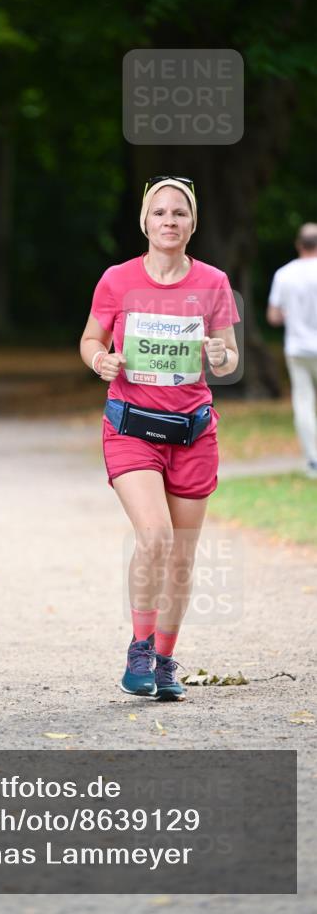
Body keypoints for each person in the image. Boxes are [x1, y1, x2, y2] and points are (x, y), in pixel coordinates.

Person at [80, 176, 240, 701]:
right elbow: (90, 339)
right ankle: (139, 649)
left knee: (182, 557)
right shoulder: (117, 279)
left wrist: (221, 357)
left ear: (193, 223)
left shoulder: (214, 281)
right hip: (131, 428)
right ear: (145, 222)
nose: (169, 221)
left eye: (179, 214)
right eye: (159, 213)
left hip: (192, 433)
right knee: (155, 537)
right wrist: (100, 360)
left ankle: (167, 660)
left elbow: (229, 353)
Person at [267, 223, 317, 479]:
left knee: (304, 403)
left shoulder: (284, 274)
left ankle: (313, 461)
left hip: (297, 348)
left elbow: (273, 316)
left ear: (299, 244)